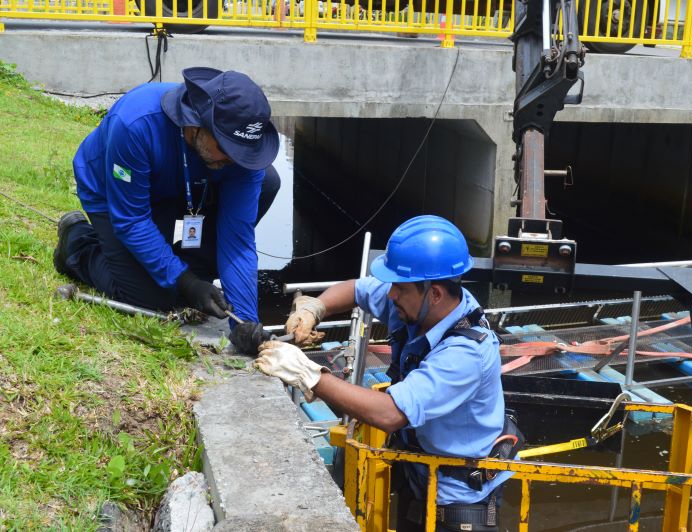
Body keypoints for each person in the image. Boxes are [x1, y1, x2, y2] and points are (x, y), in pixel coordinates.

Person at [256, 215, 522, 531]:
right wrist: (314, 309)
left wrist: (307, 372)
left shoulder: (465, 354)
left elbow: (390, 414)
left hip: (459, 499)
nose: (390, 294)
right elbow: (358, 290)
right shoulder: (420, 300)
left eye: (398, 287)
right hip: (419, 470)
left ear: (434, 293)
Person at [53, 67, 279, 354]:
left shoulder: (238, 159)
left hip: (186, 188)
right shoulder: (136, 123)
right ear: (196, 124)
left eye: (243, 152)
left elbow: (238, 239)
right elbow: (132, 221)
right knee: (151, 295)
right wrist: (186, 283)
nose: (236, 160)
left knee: (268, 182)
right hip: (114, 194)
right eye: (229, 150)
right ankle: (77, 242)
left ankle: (184, 266)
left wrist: (245, 323)